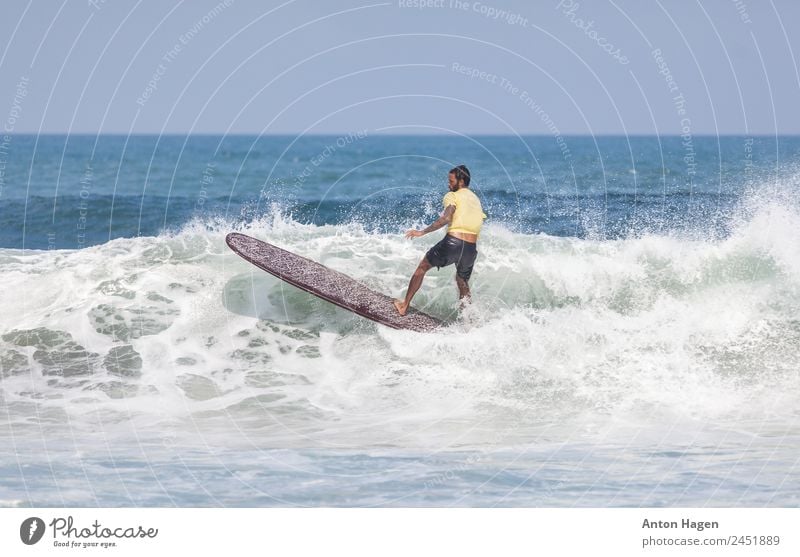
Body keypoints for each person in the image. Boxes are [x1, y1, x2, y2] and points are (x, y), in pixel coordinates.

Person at [394, 165, 486, 316]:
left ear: (461, 181)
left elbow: (447, 217)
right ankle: (469, 321)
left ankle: (404, 306)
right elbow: (476, 221)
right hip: (470, 248)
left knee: (422, 267)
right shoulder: (476, 199)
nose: (448, 184)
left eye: (451, 181)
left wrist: (422, 232)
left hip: (453, 242)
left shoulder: (452, 196)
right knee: (462, 281)